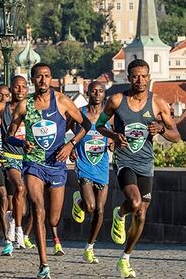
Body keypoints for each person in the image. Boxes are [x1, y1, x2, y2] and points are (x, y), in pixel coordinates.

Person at [97, 58, 181, 279]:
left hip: (146, 163)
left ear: (149, 77)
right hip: (124, 160)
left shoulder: (158, 103)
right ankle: (119, 213)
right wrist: (114, 135)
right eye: (135, 76)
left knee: (141, 215)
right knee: (134, 203)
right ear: (129, 78)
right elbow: (99, 125)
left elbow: (176, 136)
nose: (140, 80)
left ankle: (125, 259)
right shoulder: (117, 100)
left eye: (144, 76)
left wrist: (161, 129)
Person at [7, 62, 90, 279]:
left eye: (47, 76)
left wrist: (71, 144)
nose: (43, 80)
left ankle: (67, 209)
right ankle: (43, 264)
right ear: (33, 79)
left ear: (51, 78)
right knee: (38, 210)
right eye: (39, 76)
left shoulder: (61, 100)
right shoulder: (25, 105)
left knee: (53, 219)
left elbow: (86, 125)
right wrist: (21, 143)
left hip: (56, 165)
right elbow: (9, 136)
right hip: (33, 164)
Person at [0, 75, 31, 255]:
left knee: (23, 207)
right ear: (11, 89)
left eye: (23, 86)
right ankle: (16, 232)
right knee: (19, 188)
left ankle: (12, 219)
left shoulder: (32, 108)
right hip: (9, 155)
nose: (20, 90)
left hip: (27, 157)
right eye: (17, 87)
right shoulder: (1, 107)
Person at [70, 81, 112, 264]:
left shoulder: (109, 116)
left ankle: (89, 247)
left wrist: (113, 142)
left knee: (100, 211)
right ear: (87, 93)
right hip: (84, 163)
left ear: (104, 94)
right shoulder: (79, 113)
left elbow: (116, 134)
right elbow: (66, 129)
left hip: (101, 165)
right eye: (93, 91)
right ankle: (78, 200)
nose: (97, 93)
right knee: (90, 207)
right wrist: (71, 146)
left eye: (101, 91)